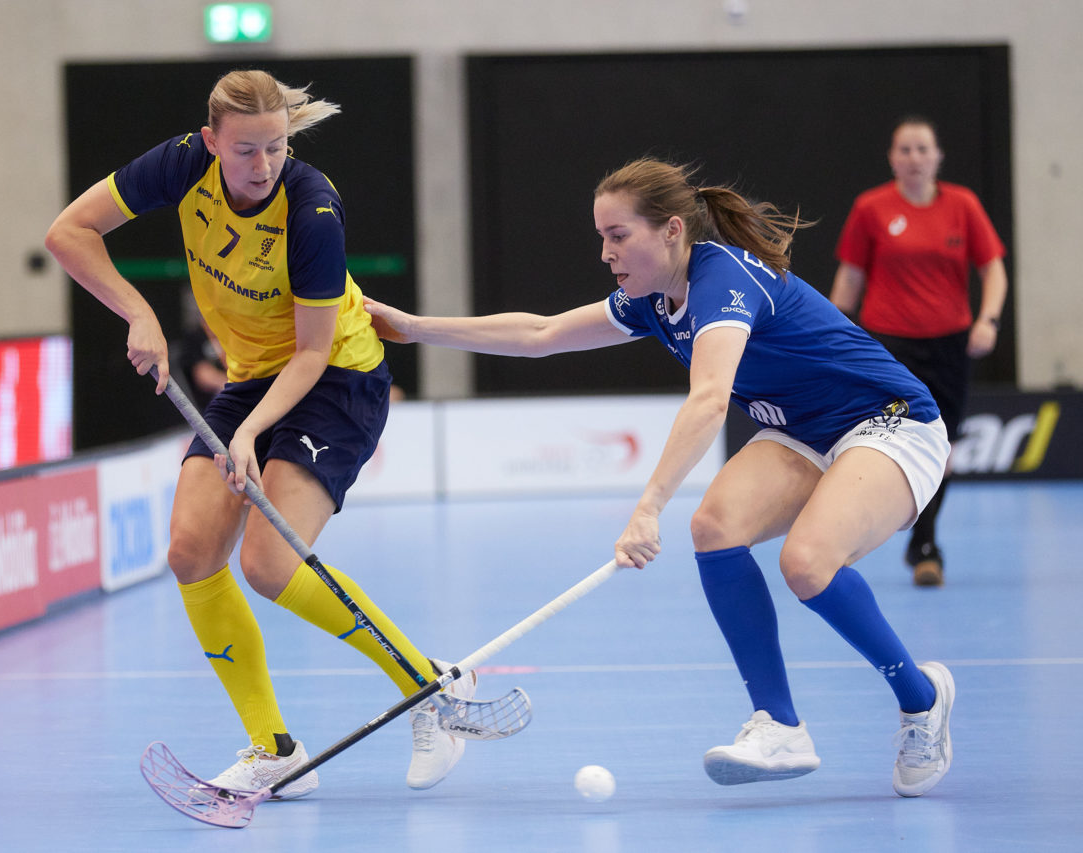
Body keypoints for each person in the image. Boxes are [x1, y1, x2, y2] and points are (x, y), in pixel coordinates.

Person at [364, 157, 955, 798]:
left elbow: (709, 399)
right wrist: (414, 329)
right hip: (803, 431)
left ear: (672, 230)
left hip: (889, 420)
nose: (605, 252)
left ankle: (921, 700)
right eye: (602, 237)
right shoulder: (651, 299)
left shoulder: (722, 279)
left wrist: (647, 508)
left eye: (619, 235)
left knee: (807, 563)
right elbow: (541, 333)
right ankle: (780, 725)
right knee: (715, 528)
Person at [45, 69, 475, 798]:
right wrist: (139, 314)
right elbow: (68, 233)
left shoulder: (312, 209)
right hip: (250, 377)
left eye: (276, 146)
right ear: (211, 142)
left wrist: (247, 434)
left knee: (270, 563)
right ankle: (274, 748)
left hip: (336, 377)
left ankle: (427, 686)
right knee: (190, 553)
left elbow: (311, 353)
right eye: (246, 149)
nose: (264, 164)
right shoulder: (183, 165)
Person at [830, 115, 1008, 587]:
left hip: (949, 345)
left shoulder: (963, 205)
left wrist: (988, 319)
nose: (914, 158)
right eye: (905, 150)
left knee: (941, 449)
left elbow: (993, 268)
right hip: (889, 345)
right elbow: (850, 277)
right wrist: (832, 335)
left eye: (922, 149)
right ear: (892, 158)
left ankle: (924, 543)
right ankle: (848, 540)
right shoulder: (871, 208)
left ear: (938, 157)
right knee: (875, 443)